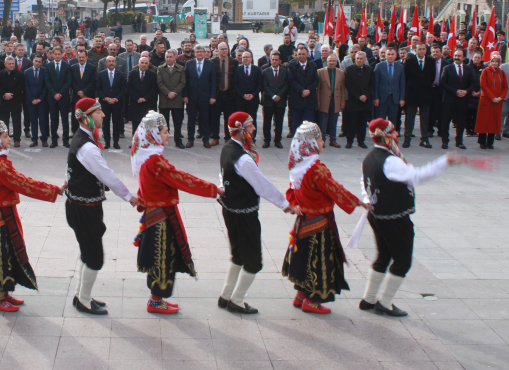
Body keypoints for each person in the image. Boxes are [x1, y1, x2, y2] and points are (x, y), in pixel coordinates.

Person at [359, 118, 461, 317]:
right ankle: (385, 303)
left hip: (378, 216)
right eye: (395, 132)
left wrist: (367, 198)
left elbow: (364, 181)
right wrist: (444, 162)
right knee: (403, 261)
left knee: (384, 256)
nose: (397, 135)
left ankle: (369, 299)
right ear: (388, 136)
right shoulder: (391, 161)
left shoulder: (370, 157)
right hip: (394, 219)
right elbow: (417, 176)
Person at [132, 111, 220, 313]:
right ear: (154, 134)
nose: (168, 135)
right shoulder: (155, 161)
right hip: (160, 218)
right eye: (164, 131)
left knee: (161, 257)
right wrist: (214, 189)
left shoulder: (147, 155)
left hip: (155, 215)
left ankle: (157, 300)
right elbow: (181, 179)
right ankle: (155, 302)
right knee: (162, 259)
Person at [0, 118, 64, 311]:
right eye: (5, 136)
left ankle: (5, 294)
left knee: (7, 252)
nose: (8, 139)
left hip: (1, 213)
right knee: (0, 254)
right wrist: (54, 190)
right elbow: (23, 183)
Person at [282, 121, 370, 313]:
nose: (323, 143)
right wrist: (358, 201)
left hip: (304, 221)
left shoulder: (298, 166)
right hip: (320, 223)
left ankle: (301, 295)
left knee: (304, 257)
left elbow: (291, 192)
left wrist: (295, 205)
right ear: (312, 144)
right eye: (320, 139)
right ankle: (312, 301)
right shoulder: (316, 169)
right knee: (320, 262)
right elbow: (334, 189)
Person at [217, 112, 299, 314]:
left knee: (237, 254)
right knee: (253, 261)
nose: (254, 129)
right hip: (244, 214)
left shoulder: (227, 149)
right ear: (242, 129)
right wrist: (284, 204)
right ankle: (236, 300)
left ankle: (225, 296)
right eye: (251, 126)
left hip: (230, 210)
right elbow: (261, 185)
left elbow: (223, 176)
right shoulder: (243, 159)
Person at [66, 98, 137, 315]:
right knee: (94, 255)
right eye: (98, 112)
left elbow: (73, 168)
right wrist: (130, 197)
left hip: (82, 205)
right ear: (87, 116)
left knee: (88, 252)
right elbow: (106, 175)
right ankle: (84, 300)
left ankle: (82, 295)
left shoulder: (82, 139)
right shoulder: (87, 147)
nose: (103, 115)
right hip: (84, 208)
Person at [440, 48, 477, 149]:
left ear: (464, 58)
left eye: (459, 56)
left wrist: (467, 91)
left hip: (463, 100)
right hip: (449, 99)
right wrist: (455, 91)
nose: (456, 57)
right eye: (455, 55)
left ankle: (459, 141)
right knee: (445, 121)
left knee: (461, 121)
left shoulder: (468, 69)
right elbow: (443, 83)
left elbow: (473, 83)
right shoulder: (447, 68)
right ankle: (445, 141)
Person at [402, 43, 434, 148]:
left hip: (425, 94)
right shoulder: (410, 61)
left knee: (425, 119)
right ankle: (407, 139)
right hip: (412, 94)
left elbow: (432, 77)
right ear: (415, 50)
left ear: (426, 50)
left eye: (423, 49)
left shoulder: (431, 61)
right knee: (410, 118)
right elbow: (405, 78)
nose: (421, 51)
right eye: (419, 49)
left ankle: (425, 139)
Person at [475, 52, 508, 149]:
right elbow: (483, 86)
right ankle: (482, 142)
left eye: (496, 62)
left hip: (497, 102)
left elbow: (505, 87)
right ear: (490, 62)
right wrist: (492, 97)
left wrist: (501, 97)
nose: (494, 63)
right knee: (484, 121)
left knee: (494, 122)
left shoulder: (502, 73)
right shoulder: (485, 72)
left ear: (499, 63)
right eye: (493, 61)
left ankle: (490, 142)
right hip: (486, 101)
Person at [184, 45, 215, 148]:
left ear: (205, 52)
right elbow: (185, 81)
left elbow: (213, 82)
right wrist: (185, 95)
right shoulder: (189, 64)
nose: (200, 53)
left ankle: (206, 140)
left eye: (201, 51)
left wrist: (212, 96)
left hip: (205, 97)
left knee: (205, 119)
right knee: (191, 119)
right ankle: (190, 139)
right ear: (194, 53)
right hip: (191, 97)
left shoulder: (210, 64)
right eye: (197, 51)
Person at [344, 52, 374, 149]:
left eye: (361, 58)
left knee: (362, 122)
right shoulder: (349, 70)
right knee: (352, 122)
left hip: (365, 101)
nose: (359, 60)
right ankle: (350, 141)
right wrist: (358, 96)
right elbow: (348, 85)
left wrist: (366, 95)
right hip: (353, 101)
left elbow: (371, 85)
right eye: (358, 58)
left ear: (365, 60)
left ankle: (361, 141)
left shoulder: (369, 70)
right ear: (355, 59)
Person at [157, 50, 186, 149]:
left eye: (170, 57)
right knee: (164, 122)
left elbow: (182, 82)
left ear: (175, 58)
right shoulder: (160, 68)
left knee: (177, 122)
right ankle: (163, 140)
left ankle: (178, 140)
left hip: (177, 99)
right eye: (167, 57)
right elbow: (159, 83)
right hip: (164, 99)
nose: (168, 59)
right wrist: (168, 93)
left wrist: (174, 92)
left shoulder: (181, 68)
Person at [287, 46, 319, 135]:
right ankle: (297, 144)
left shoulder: (313, 65)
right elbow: (291, 81)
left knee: (309, 124)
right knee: (296, 124)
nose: (301, 56)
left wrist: (308, 90)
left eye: (303, 54)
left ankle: (308, 144)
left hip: (310, 99)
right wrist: (302, 90)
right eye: (299, 54)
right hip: (296, 99)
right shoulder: (292, 65)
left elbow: (316, 80)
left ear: (307, 54)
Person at [45, 46, 72, 149]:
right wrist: (54, 94)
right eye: (55, 54)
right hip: (52, 97)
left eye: (58, 54)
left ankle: (65, 140)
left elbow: (68, 81)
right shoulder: (48, 66)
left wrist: (60, 93)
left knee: (65, 119)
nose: (56, 56)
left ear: (62, 54)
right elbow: (47, 81)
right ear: (52, 54)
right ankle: (54, 140)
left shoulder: (66, 66)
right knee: (53, 119)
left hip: (63, 97)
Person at [316, 54, 345, 147]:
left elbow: (342, 89)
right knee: (323, 122)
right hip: (324, 100)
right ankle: (322, 140)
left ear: (337, 62)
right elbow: (318, 89)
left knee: (334, 121)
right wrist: (318, 101)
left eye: (333, 61)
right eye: (330, 61)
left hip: (335, 100)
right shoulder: (320, 72)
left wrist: (342, 101)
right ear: (327, 62)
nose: (332, 63)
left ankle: (333, 140)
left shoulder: (340, 73)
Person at [260, 52, 288, 149]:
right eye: (273, 59)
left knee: (279, 122)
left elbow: (286, 85)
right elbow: (264, 86)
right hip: (268, 100)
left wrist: (279, 95)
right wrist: (272, 96)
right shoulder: (265, 71)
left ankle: (277, 140)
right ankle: (267, 140)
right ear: (270, 60)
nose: (274, 61)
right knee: (267, 121)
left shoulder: (285, 71)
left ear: (280, 61)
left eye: (276, 59)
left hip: (280, 101)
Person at [96, 55, 125, 149]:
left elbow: (123, 89)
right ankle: (107, 142)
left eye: (113, 61)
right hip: (105, 103)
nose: (111, 63)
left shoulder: (120, 74)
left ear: (115, 63)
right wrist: (105, 98)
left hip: (117, 103)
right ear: (106, 63)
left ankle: (116, 142)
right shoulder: (101, 74)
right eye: (109, 61)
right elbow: (98, 88)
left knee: (116, 123)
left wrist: (116, 99)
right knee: (105, 123)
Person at [373, 47, 405, 128]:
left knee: (392, 121)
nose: (390, 56)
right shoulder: (379, 66)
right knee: (380, 121)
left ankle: (390, 138)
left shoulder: (400, 67)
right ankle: (380, 138)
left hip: (394, 99)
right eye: (388, 54)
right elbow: (375, 83)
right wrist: (375, 97)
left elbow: (402, 84)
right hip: (382, 99)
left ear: (396, 56)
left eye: (392, 54)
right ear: (385, 55)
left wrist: (401, 98)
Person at [232, 50, 260, 142]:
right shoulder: (237, 70)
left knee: (252, 119)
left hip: (253, 100)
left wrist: (253, 95)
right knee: (241, 120)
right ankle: (242, 137)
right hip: (240, 100)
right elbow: (235, 84)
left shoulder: (257, 69)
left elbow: (260, 84)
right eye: (244, 57)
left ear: (251, 58)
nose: (245, 59)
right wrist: (243, 95)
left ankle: (252, 138)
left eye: (247, 57)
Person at [0, 56, 24, 147]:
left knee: (16, 121)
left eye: (13, 64)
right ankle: (4, 139)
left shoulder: (19, 74)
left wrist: (11, 94)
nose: (11, 65)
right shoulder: (0, 74)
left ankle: (17, 139)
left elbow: (20, 87)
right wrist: (4, 94)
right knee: (4, 123)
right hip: (4, 101)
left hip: (15, 100)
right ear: (5, 64)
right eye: (9, 64)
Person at [127, 56, 157, 135]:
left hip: (148, 104)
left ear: (148, 64)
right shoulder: (132, 73)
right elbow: (129, 87)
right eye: (142, 63)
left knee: (148, 126)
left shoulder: (153, 75)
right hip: (135, 103)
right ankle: (135, 143)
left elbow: (154, 89)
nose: (144, 65)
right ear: (138, 63)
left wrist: (145, 98)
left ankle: (147, 143)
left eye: (146, 63)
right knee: (135, 125)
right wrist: (137, 98)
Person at [24, 54, 49, 147]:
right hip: (31, 101)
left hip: (42, 101)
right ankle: (34, 139)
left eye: (39, 61)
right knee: (33, 121)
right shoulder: (27, 72)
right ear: (33, 61)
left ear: (42, 63)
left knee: (43, 120)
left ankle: (44, 139)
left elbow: (46, 86)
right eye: (35, 61)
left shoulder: (45, 71)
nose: (37, 63)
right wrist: (32, 99)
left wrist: (40, 99)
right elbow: (26, 87)